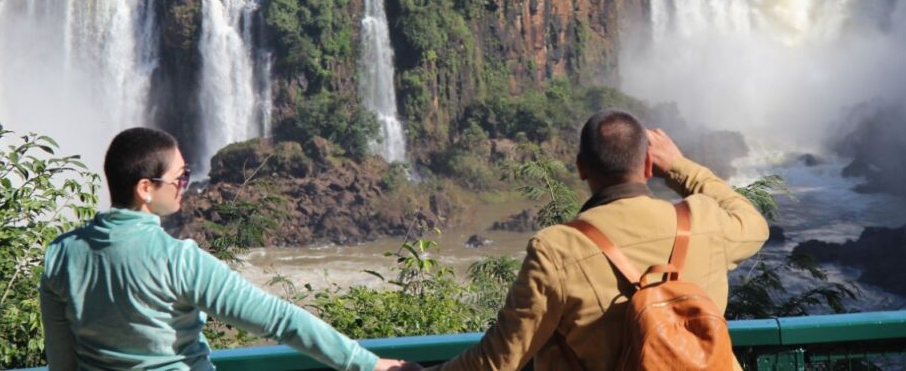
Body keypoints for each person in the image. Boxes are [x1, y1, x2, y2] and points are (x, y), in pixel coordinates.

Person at [40, 127, 418, 371]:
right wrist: (369, 365)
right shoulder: (179, 260)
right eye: (180, 178)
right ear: (145, 188)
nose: (185, 185)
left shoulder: (60, 255)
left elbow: (62, 364)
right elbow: (279, 320)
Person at [429, 109, 769, 371]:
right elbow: (754, 223)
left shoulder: (557, 249)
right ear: (649, 165)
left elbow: (499, 359)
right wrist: (680, 167)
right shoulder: (705, 221)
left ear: (581, 168)